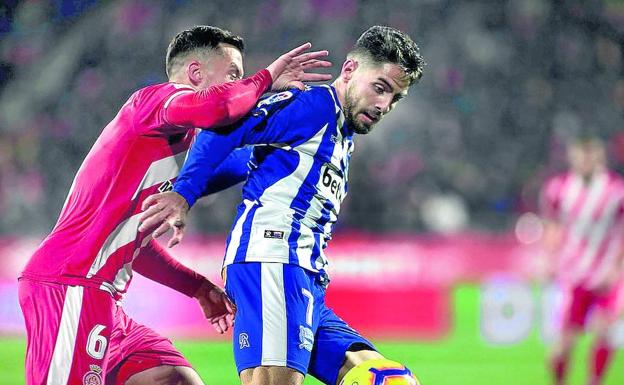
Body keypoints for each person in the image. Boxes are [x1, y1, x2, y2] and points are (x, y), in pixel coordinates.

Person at [18, 25, 331, 385]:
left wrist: (197, 287)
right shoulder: (153, 102)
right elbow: (223, 106)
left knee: (174, 378)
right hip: (70, 283)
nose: (239, 83)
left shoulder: (171, 149)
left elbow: (133, 243)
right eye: (232, 74)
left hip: (102, 297)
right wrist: (267, 77)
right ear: (195, 74)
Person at [139, 25, 424, 385]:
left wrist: (180, 187)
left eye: (395, 98)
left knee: (388, 379)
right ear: (349, 70)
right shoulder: (314, 107)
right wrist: (184, 193)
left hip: (305, 277)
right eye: (380, 88)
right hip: (273, 263)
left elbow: (249, 161)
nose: (384, 105)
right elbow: (222, 130)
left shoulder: (338, 132)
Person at [540, 136, 624, 385]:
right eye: (581, 155)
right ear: (572, 157)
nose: (586, 160)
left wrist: (618, 267)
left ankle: (595, 381)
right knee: (563, 345)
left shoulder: (616, 191)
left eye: (591, 155)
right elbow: (553, 227)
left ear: (600, 157)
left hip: (606, 274)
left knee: (604, 330)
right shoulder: (558, 188)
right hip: (572, 275)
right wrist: (549, 260)